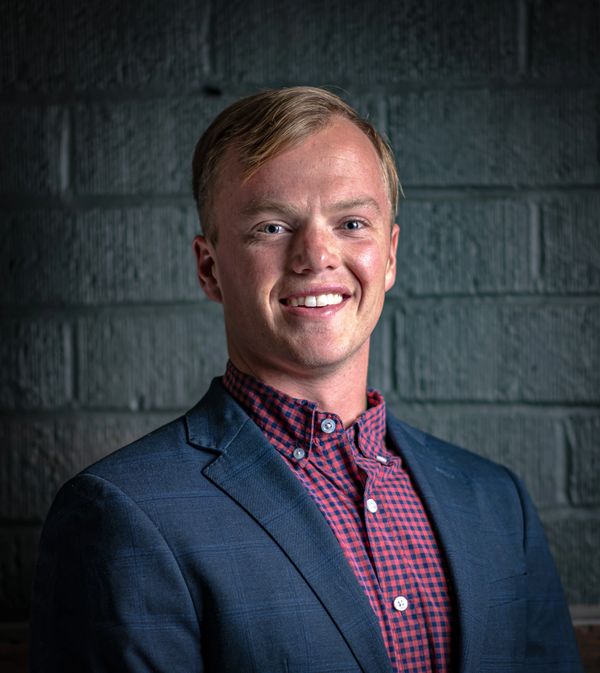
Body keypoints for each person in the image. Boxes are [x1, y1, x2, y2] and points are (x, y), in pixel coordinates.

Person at [30, 87, 582, 673]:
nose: (316, 256)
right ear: (209, 268)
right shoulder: (121, 515)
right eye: (271, 227)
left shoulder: (496, 501)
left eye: (351, 223)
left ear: (389, 256)